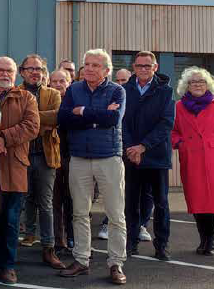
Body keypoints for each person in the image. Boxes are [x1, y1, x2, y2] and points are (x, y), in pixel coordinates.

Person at [56, 49, 128, 285]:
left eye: (95, 65)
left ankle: (116, 263)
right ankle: (81, 260)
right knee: (79, 212)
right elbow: (64, 119)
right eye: (86, 64)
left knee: (115, 214)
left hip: (109, 157)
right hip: (79, 157)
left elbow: (113, 120)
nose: (89, 68)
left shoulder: (117, 90)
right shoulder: (74, 89)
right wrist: (97, 117)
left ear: (106, 70)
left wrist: (84, 112)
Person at [0, 57, 40, 285]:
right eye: (1, 70)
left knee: (10, 220)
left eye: (10, 70)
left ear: (16, 74)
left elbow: (32, 127)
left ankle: (7, 266)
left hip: (14, 166)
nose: (5, 74)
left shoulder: (26, 97)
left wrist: (3, 138)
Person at [172, 66, 214, 256]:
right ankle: (203, 238)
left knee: (212, 200)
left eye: (201, 81)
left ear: (208, 84)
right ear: (187, 86)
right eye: (193, 82)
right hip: (191, 158)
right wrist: (180, 143)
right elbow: (172, 130)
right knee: (196, 199)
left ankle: (211, 239)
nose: (197, 85)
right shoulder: (179, 107)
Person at [121, 51, 174, 261]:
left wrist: (143, 146)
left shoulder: (166, 91)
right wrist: (131, 148)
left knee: (161, 203)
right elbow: (122, 121)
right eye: (139, 66)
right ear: (134, 67)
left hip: (156, 156)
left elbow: (166, 123)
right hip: (131, 155)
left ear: (155, 67)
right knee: (131, 203)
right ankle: (131, 243)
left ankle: (162, 245)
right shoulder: (124, 90)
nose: (143, 69)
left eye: (147, 66)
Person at [18, 56, 66, 270]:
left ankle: (49, 248)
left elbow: (57, 117)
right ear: (22, 71)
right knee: (20, 201)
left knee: (46, 204)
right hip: (21, 155)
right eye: (31, 68)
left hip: (45, 156)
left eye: (39, 69)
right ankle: (19, 242)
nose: (35, 72)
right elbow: (12, 121)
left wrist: (29, 119)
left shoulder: (53, 94)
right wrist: (40, 124)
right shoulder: (15, 93)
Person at [48, 69, 74, 254]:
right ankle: (58, 241)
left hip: (73, 156)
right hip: (52, 157)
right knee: (55, 202)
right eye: (54, 81)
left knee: (74, 201)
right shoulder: (47, 100)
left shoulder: (75, 100)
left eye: (62, 81)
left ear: (69, 82)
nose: (58, 84)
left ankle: (74, 238)